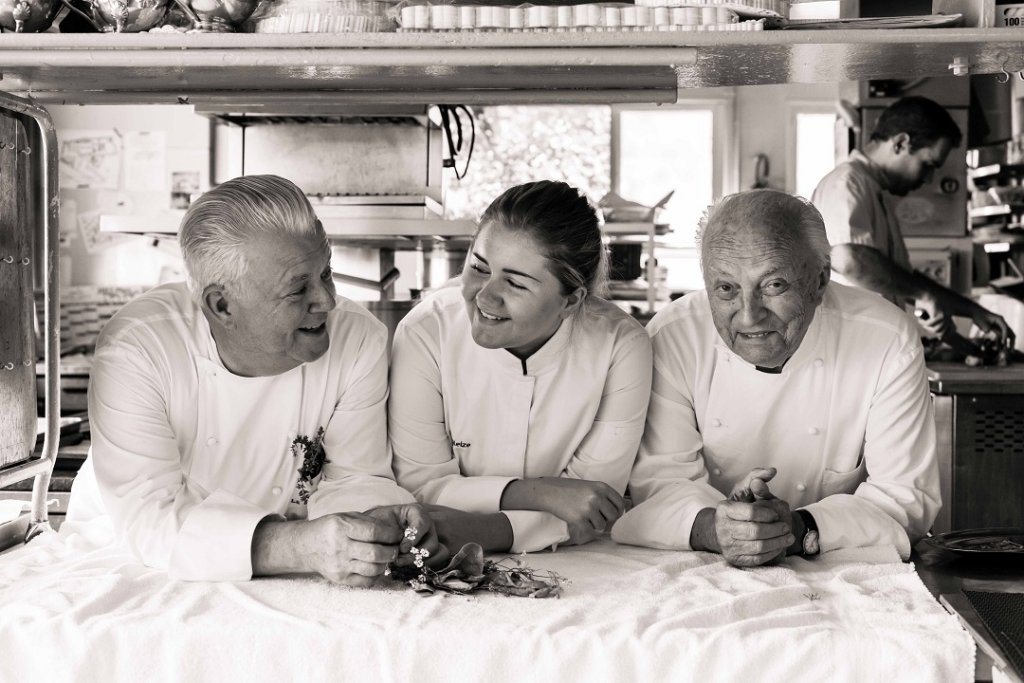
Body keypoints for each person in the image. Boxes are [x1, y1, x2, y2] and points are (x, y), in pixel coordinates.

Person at [66, 175, 444, 584]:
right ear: (222, 304)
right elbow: (148, 518)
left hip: (292, 577)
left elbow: (355, 476)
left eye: (327, 273)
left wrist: (377, 524)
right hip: (131, 570)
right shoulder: (139, 348)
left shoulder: (357, 339)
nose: (328, 301)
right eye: (298, 290)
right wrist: (298, 546)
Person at [611, 189, 939, 566]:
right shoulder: (674, 336)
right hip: (702, 565)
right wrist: (720, 529)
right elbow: (660, 484)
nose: (749, 316)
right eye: (726, 289)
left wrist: (797, 529)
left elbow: (904, 497)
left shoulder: (885, 337)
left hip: (836, 562)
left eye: (773, 285)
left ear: (820, 280)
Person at [389, 180, 653, 554]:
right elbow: (420, 486)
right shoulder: (426, 332)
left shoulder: (621, 348)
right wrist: (542, 494)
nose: (484, 295)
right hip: (444, 556)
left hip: (580, 563)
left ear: (571, 300)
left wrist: (477, 528)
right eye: (479, 267)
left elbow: (593, 508)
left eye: (514, 283)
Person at [812, 95, 1014, 350]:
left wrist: (972, 311)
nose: (929, 179)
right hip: (850, 350)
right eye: (928, 165)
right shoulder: (848, 183)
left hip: (872, 347)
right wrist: (922, 295)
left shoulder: (875, 191)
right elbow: (849, 259)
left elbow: (901, 277)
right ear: (901, 143)